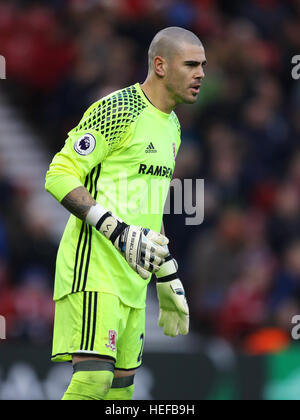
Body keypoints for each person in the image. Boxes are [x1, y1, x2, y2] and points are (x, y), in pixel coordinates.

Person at [45, 26, 206, 401]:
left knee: (122, 391)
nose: (201, 74)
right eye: (192, 64)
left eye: (203, 65)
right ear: (161, 65)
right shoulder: (118, 109)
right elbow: (59, 173)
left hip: (134, 280)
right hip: (94, 268)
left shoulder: (173, 127)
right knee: (93, 382)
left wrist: (166, 273)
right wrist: (114, 229)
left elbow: (150, 206)